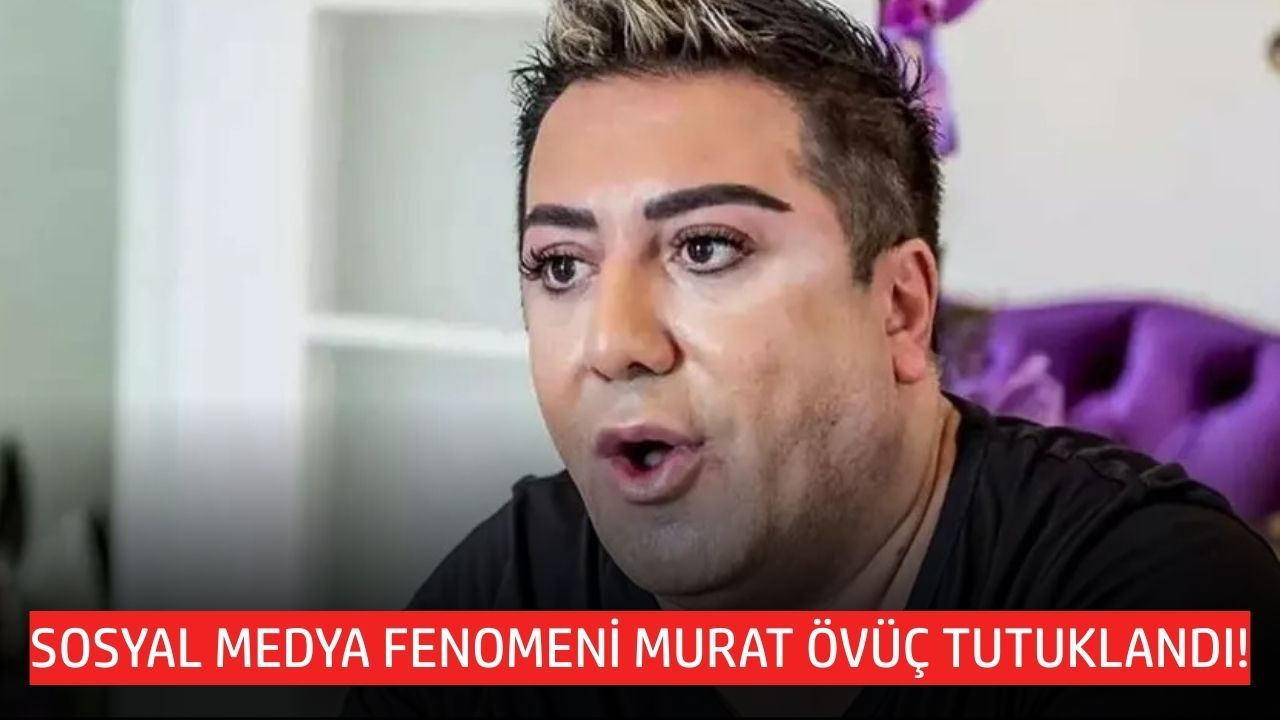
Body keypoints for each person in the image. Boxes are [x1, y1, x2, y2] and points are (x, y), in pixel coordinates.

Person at [344, 0, 1280, 716]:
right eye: (561, 266)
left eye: (706, 248)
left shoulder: (1153, 602)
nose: (613, 343)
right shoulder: (513, 596)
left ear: (901, 308)